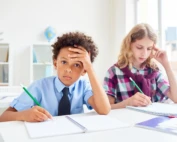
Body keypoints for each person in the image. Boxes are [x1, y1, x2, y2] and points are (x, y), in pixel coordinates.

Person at [0, 32, 110, 122]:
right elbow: (4, 117)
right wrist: (24, 115)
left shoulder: (84, 87)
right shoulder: (39, 87)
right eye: (63, 62)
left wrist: (90, 68)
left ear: (84, 70)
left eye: (77, 65)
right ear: (55, 63)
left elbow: (104, 110)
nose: (68, 69)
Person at [103, 23, 177, 109]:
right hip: (125, 120)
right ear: (129, 44)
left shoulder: (154, 71)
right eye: (139, 47)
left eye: (149, 48)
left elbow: (175, 98)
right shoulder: (114, 72)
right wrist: (128, 103)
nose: (144, 53)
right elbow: (106, 108)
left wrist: (166, 65)